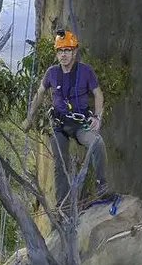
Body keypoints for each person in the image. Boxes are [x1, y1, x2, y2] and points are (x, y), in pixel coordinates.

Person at [22, 29, 112, 207]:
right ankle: (63, 206)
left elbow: (98, 94)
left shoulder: (85, 71)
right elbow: (40, 93)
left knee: (97, 143)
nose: (63, 55)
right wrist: (29, 118)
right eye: (60, 51)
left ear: (74, 52)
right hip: (59, 124)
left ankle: (102, 186)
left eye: (67, 50)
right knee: (60, 164)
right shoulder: (51, 73)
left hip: (80, 123)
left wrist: (97, 117)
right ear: (56, 53)